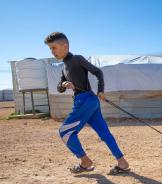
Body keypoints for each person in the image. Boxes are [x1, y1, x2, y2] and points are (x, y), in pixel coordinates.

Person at [44, 32, 129, 174]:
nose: (52, 52)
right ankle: (123, 163)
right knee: (104, 133)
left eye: (54, 47)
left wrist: (101, 90)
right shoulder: (64, 67)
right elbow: (59, 87)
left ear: (65, 46)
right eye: (50, 49)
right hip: (89, 101)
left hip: (85, 99)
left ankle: (85, 162)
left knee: (65, 131)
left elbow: (98, 72)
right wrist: (65, 83)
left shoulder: (77, 59)